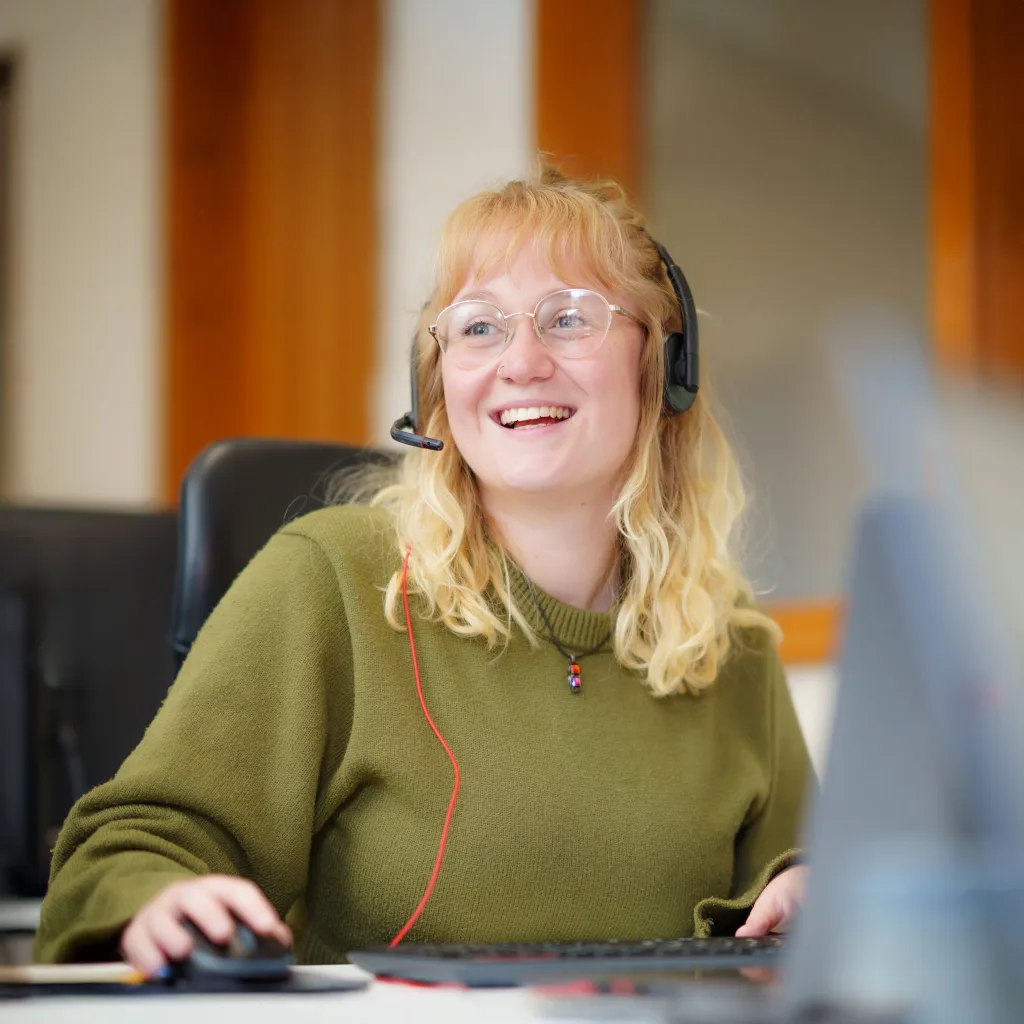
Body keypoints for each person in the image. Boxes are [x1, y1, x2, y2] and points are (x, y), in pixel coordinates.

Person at [34, 166, 811, 975]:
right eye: (478, 328)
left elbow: (810, 881)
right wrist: (157, 898)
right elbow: (130, 850)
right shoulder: (332, 580)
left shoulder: (727, 640)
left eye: (568, 318)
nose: (521, 361)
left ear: (663, 364)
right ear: (435, 383)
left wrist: (806, 890)